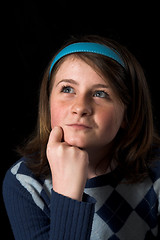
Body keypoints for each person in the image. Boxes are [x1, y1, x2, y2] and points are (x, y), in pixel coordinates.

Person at [3, 35, 160, 240]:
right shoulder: (25, 182)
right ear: (48, 102)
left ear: (127, 115)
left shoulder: (155, 170)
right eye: (67, 89)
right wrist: (68, 195)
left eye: (100, 94)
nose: (80, 107)